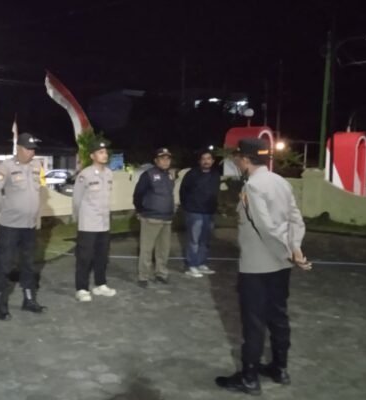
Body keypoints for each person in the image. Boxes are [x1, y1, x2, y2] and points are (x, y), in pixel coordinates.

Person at [215, 138, 312, 395]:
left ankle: (249, 377)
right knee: (278, 316)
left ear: (246, 159)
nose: (237, 161)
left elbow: (265, 228)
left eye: (238, 157)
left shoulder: (253, 187)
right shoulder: (281, 182)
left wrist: (289, 253)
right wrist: (294, 248)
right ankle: (280, 368)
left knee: (254, 322)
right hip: (281, 266)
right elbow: (295, 219)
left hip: (257, 266)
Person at [0, 133, 47, 320]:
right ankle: (0, 304)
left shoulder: (37, 166)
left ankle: (29, 300)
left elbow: (41, 189)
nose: (32, 152)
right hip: (10, 226)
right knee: (4, 264)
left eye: (33, 149)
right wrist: (6, 209)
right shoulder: (6, 167)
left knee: (28, 264)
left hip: (29, 226)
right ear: (19, 148)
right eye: (28, 149)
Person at [72, 140, 117, 302]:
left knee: (102, 256)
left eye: (105, 152)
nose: (104, 155)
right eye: (100, 152)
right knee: (85, 257)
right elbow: (77, 199)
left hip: (104, 223)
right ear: (92, 156)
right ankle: (81, 288)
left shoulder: (109, 173)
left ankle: (100, 284)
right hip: (88, 223)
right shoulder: (85, 175)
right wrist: (79, 218)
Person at [133, 147, 176, 288]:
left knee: (163, 249)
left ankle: (161, 273)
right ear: (156, 160)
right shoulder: (148, 175)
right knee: (147, 249)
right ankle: (143, 276)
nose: (166, 161)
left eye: (168, 158)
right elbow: (138, 194)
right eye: (162, 158)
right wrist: (140, 210)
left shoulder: (170, 175)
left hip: (166, 218)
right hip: (151, 218)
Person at [179, 149, 221, 277]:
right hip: (194, 212)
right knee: (194, 240)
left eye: (208, 159)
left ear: (213, 161)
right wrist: (187, 207)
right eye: (203, 159)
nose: (206, 161)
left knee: (205, 240)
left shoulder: (215, 175)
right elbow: (183, 191)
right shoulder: (192, 174)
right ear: (199, 161)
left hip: (209, 212)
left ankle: (201, 263)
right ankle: (192, 265)